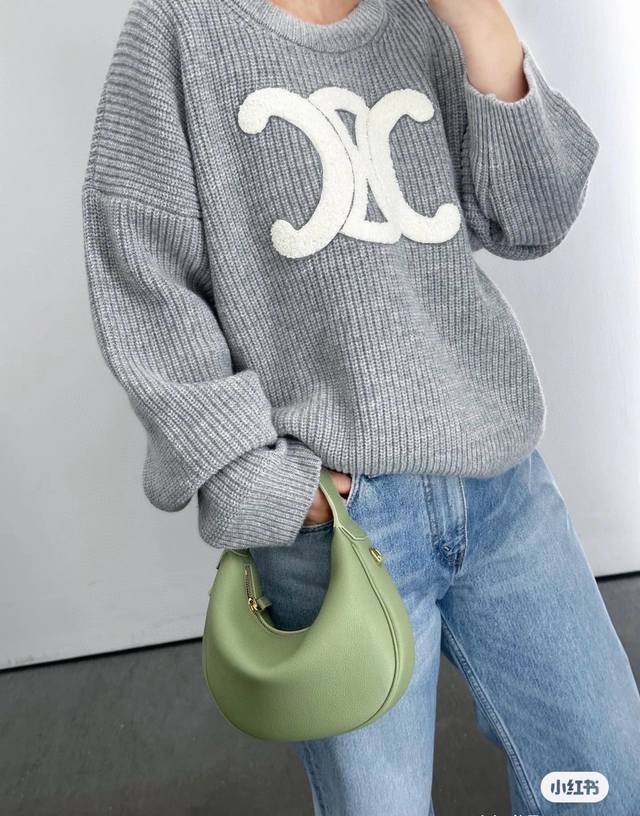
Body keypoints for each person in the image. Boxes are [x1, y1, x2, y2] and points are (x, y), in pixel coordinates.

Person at [81, 0, 640, 812]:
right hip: (338, 522)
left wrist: (481, 23)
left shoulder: (426, 16)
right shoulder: (179, 27)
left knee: (607, 776)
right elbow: (141, 277)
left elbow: (533, 217)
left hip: (501, 488)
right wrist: (265, 485)